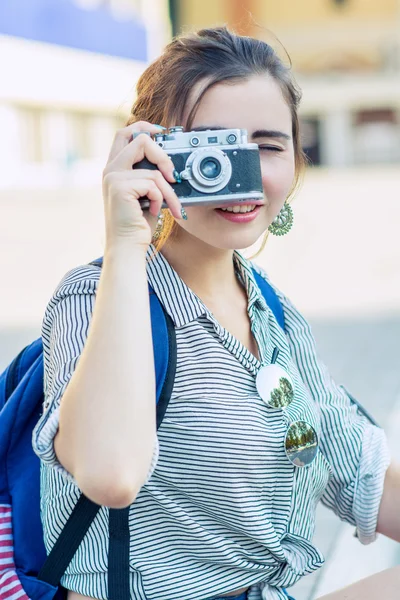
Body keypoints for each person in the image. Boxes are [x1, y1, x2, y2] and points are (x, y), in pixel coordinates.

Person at [32, 26, 400, 600]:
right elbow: (111, 475)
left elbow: (352, 466)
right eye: (212, 148)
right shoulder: (96, 295)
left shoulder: (274, 312)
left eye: (268, 146)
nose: (241, 173)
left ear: (296, 163)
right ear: (149, 153)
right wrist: (126, 242)